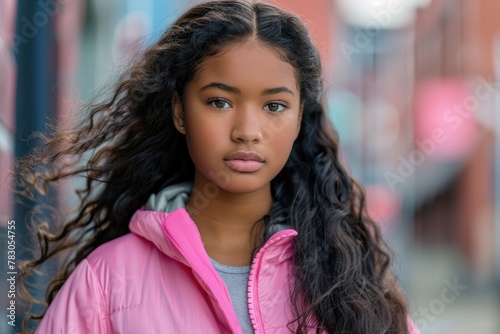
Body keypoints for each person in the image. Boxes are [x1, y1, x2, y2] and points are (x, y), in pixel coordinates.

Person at [18, 0, 420, 333]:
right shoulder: (104, 281)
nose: (248, 131)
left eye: (274, 106)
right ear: (179, 111)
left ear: (299, 119)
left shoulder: (348, 283)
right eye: (219, 102)